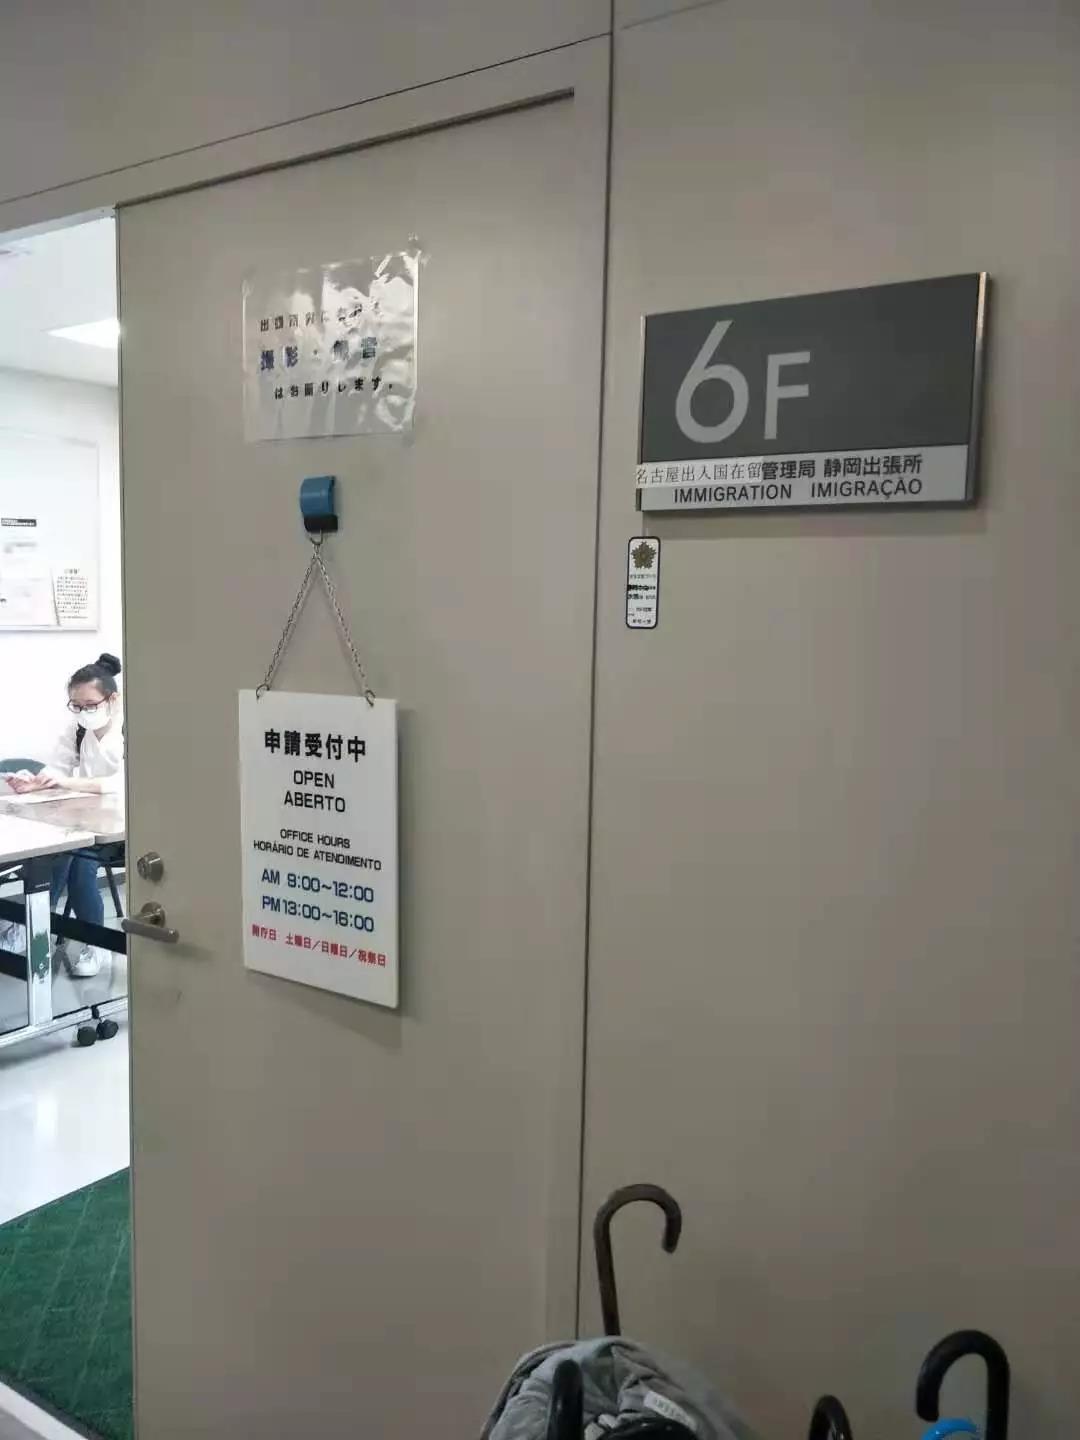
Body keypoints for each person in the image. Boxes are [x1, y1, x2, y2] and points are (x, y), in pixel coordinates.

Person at [4, 652, 124, 978]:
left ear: (112, 699)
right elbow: (58, 767)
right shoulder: (79, 728)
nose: (83, 712)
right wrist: (35, 782)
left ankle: (87, 943)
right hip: (84, 819)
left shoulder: (130, 728)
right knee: (60, 854)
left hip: (122, 827)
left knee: (78, 861)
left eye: (90, 704)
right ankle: (36, 928)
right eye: (77, 705)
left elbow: (122, 784)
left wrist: (65, 782)